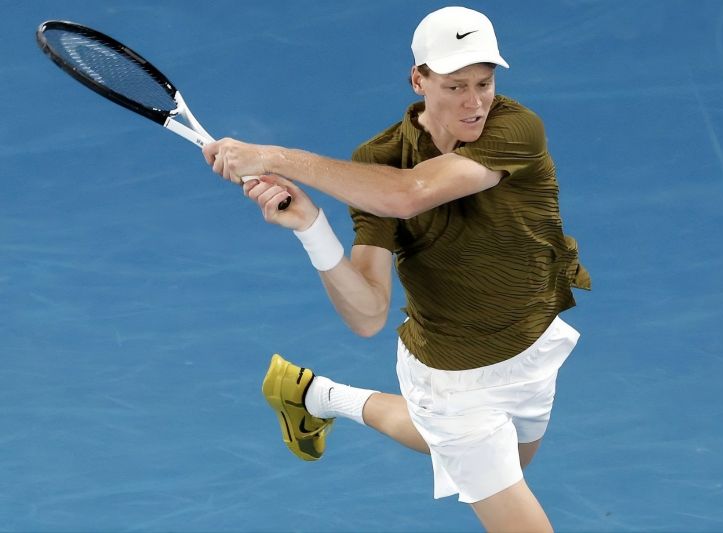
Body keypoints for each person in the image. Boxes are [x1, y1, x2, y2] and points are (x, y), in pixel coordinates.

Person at [203, 6, 590, 532]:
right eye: (455, 86)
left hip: (531, 346)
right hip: (452, 378)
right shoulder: (378, 161)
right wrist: (311, 226)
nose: (475, 102)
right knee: (494, 484)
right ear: (418, 81)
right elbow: (368, 314)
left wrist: (274, 156)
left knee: (506, 462)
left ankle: (315, 395)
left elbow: (410, 195)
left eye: (484, 83)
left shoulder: (516, 127)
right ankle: (355, 403)